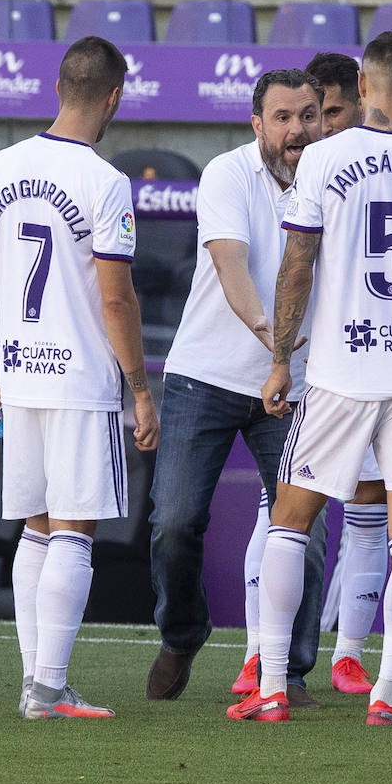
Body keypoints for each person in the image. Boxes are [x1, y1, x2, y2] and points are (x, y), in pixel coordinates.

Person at [228, 31, 392, 724]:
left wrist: (282, 358)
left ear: (363, 89)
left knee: (291, 521)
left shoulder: (324, 159)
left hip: (343, 369)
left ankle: (275, 687)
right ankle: (388, 696)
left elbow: (296, 267)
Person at [0, 36, 157, 719]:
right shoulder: (105, 182)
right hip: (78, 378)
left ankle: (35, 682)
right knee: (72, 531)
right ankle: (48, 686)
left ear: (57, 88)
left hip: (18, 377)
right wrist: (139, 387)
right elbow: (116, 299)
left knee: (37, 530)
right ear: (113, 97)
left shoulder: (3, 165)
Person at [146, 68, 325, 706]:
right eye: (281, 117)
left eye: (308, 115)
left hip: (300, 383)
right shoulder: (226, 172)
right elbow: (231, 262)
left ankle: (291, 668)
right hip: (207, 375)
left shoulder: (337, 176)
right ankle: (182, 632)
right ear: (257, 125)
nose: (296, 129)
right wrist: (269, 337)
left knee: (301, 530)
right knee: (174, 521)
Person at [233, 51, 390, 700]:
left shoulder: (373, 169)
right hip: (311, 365)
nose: (316, 127)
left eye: (329, 112)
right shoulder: (283, 174)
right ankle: (257, 653)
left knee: (371, 507)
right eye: (307, 115)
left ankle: (348, 654)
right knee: (281, 508)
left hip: (377, 362)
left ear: (357, 103)